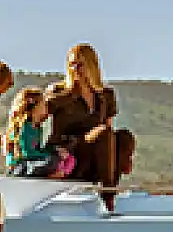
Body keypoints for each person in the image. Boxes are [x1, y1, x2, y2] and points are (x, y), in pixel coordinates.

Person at [45, 43, 135, 209]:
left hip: (97, 150)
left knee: (123, 136)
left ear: (91, 65)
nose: (76, 68)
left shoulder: (105, 95)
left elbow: (109, 127)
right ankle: (108, 197)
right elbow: (40, 113)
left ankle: (110, 188)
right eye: (72, 64)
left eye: (80, 64)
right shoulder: (58, 91)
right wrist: (72, 93)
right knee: (103, 133)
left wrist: (123, 156)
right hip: (70, 149)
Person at [3, 87, 76, 178]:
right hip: (20, 166)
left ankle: (57, 173)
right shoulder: (24, 127)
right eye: (44, 104)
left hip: (31, 162)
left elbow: (37, 150)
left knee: (60, 158)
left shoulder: (37, 128)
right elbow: (27, 153)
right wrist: (50, 154)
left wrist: (55, 151)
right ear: (34, 106)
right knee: (51, 160)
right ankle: (51, 175)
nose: (47, 107)